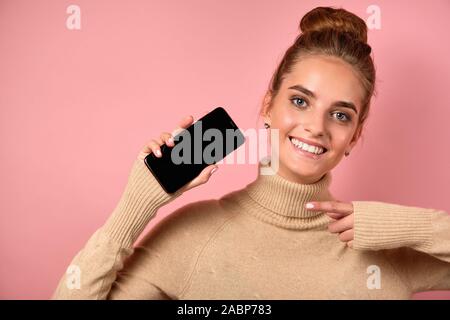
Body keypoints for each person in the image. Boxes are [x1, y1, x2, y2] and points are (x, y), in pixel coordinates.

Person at [52, 6, 450, 299]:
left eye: (341, 115)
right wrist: (135, 204)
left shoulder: (385, 246)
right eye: (299, 101)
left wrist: (408, 225)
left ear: (355, 135)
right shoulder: (193, 237)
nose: (316, 126)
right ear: (267, 105)